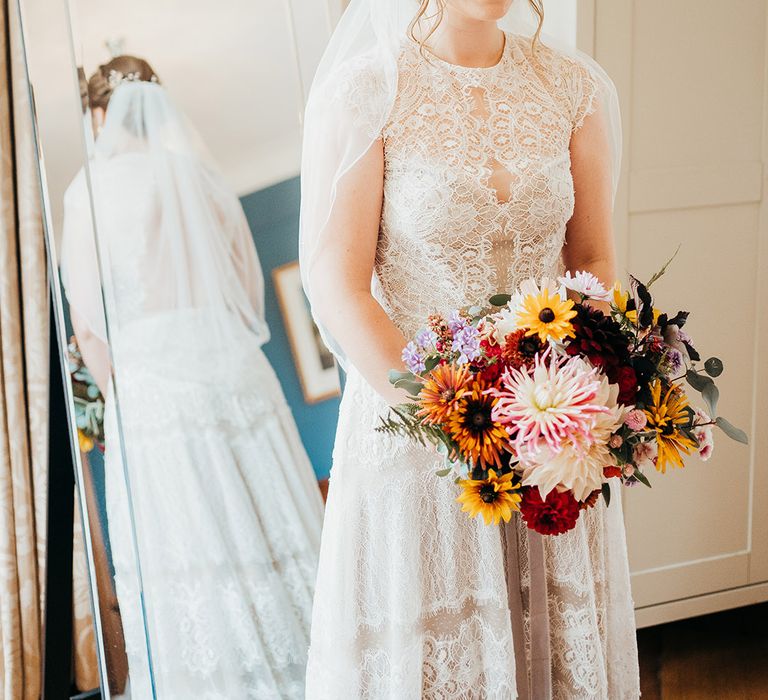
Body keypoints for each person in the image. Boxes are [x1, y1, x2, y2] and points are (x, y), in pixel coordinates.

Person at [299, 1, 640, 697]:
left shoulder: (571, 87)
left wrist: (583, 390)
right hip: (418, 437)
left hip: (551, 426)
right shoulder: (368, 91)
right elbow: (338, 286)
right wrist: (452, 419)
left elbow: (595, 256)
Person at [61, 55, 324, 699]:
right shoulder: (201, 178)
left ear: (98, 115)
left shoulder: (88, 193)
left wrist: (121, 393)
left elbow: (90, 326)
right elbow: (244, 293)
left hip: (153, 384)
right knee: (270, 526)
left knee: (188, 548)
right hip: (234, 369)